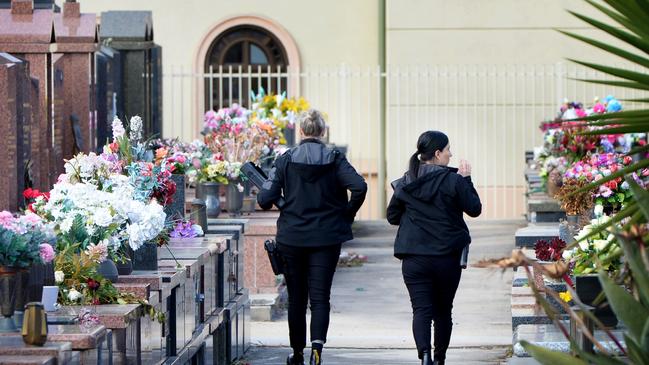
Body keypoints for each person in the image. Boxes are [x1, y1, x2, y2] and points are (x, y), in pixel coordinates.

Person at [257, 109, 367, 365]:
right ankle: (317, 349)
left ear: (301, 131)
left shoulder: (285, 160)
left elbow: (264, 199)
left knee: (296, 298)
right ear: (323, 132)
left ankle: (297, 354)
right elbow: (360, 186)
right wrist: (346, 214)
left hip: (292, 238)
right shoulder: (335, 158)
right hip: (327, 239)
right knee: (320, 297)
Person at [386, 130, 482, 365]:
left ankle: (425, 357)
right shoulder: (454, 181)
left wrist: (414, 215)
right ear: (438, 154)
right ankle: (439, 359)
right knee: (442, 311)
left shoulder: (407, 180)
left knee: (421, 310)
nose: (451, 154)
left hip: (414, 258)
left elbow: (392, 216)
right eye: (448, 150)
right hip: (447, 258)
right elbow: (474, 209)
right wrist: (466, 179)